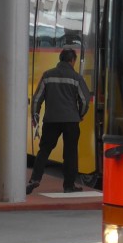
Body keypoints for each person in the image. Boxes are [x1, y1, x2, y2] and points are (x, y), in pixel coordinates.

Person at [28, 46, 91, 194]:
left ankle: (35, 179)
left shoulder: (47, 75)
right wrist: (80, 114)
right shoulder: (76, 78)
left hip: (51, 120)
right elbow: (85, 99)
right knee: (70, 153)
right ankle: (69, 186)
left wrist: (35, 116)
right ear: (72, 60)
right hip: (71, 121)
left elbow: (37, 98)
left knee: (44, 150)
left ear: (60, 59)